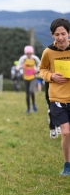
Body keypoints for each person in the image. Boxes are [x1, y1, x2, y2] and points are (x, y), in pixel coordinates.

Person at [39, 18, 70, 176]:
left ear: (68, 33)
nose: (60, 37)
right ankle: (67, 165)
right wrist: (52, 77)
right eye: (57, 34)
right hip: (57, 98)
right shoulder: (48, 52)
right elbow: (42, 70)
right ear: (52, 35)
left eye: (63, 33)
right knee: (65, 133)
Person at [17, 45, 41, 113]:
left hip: (33, 77)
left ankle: (33, 104)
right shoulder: (23, 58)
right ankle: (28, 108)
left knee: (31, 90)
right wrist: (21, 67)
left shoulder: (35, 58)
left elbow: (41, 65)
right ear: (25, 53)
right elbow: (17, 67)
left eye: (30, 53)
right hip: (25, 78)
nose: (29, 55)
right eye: (27, 54)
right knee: (27, 94)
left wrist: (37, 70)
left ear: (32, 53)